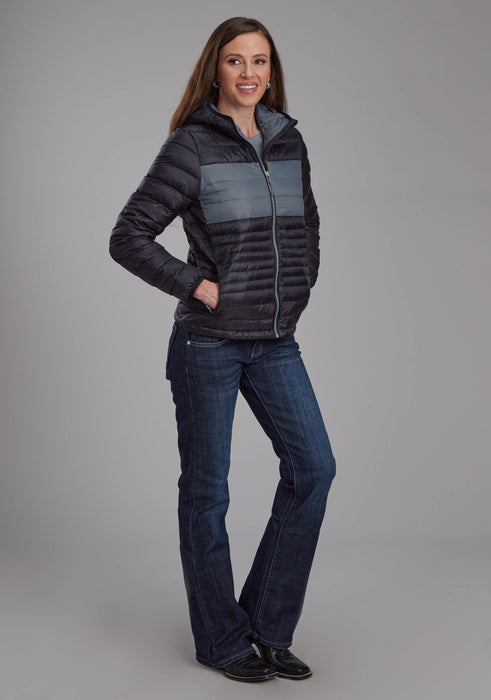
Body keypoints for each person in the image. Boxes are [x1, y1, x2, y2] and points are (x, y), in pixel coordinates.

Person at [109, 16, 336, 683]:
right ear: (215, 68)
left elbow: (306, 225)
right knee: (208, 494)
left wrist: (298, 288)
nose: (248, 73)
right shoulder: (192, 145)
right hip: (207, 343)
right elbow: (129, 235)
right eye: (235, 60)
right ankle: (219, 639)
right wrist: (196, 284)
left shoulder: (287, 140)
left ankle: (267, 627)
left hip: (274, 341)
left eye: (259, 61)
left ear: (271, 71)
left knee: (313, 469)